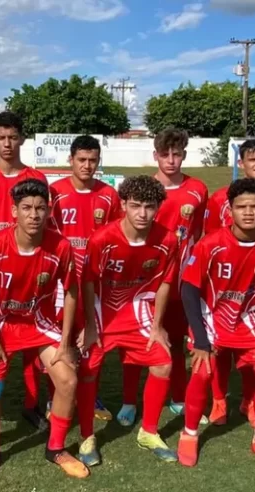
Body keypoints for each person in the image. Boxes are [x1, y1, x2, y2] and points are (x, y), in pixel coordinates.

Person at [0, 178, 87, 481]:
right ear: (14, 212)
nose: (34, 214)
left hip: (40, 323)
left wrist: (66, 342)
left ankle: (56, 448)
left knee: (68, 381)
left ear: (48, 212)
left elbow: (71, 292)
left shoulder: (60, 246)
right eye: (27, 208)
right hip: (1, 324)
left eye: (40, 208)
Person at [80, 175, 179, 464]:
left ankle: (148, 431)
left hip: (137, 311)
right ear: (123, 204)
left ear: (159, 206)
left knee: (163, 363)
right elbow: (87, 282)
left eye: (149, 206)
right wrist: (88, 325)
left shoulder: (168, 240)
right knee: (87, 369)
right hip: (102, 313)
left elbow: (164, 283)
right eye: (135, 205)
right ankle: (87, 436)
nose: (142, 213)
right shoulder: (102, 239)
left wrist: (158, 326)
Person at [119, 129, 208, 427]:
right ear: (155, 155)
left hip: (182, 282)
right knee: (137, 344)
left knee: (176, 341)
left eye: (177, 154)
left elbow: (196, 233)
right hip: (145, 282)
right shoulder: (144, 190)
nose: (171, 160)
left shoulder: (198, 189)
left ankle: (178, 397)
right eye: (165, 154)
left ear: (184, 155)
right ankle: (129, 401)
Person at [0, 111, 51, 433]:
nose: (7, 144)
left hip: (30, 270)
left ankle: (31, 405)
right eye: (1, 138)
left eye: (13, 137)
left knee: (32, 338)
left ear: (21, 139)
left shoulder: (36, 178)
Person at [178, 177, 255, 466]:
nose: (249, 212)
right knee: (202, 371)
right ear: (230, 210)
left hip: (247, 318)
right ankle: (189, 433)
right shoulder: (211, 244)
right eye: (242, 206)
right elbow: (188, 289)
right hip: (211, 318)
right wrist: (199, 338)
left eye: (254, 206)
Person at [49, 135, 122, 431]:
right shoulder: (55, 193)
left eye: (93, 160)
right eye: (81, 159)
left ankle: (92, 396)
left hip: (95, 280)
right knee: (58, 340)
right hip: (61, 280)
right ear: (71, 160)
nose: (87, 165)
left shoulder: (108, 195)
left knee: (92, 339)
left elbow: (115, 236)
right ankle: (53, 394)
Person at [202, 139, 255, 425]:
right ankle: (219, 401)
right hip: (224, 286)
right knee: (219, 348)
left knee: (251, 351)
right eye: (252, 160)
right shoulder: (220, 197)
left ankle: (249, 400)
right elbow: (211, 241)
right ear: (241, 163)